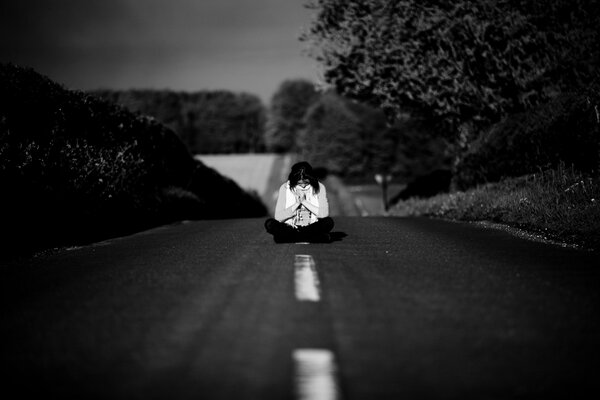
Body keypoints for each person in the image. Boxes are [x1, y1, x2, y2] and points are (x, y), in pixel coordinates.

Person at [264, 161, 334, 243]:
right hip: (291, 228)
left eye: (307, 183)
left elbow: (324, 213)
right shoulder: (284, 188)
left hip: (311, 227)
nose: (303, 186)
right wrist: (296, 204)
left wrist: (304, 202)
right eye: (300, 184)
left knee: (328, 222)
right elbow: (278, 216)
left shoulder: (320, 187)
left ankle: (292, 238)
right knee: (270, 224)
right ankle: (313, 238)